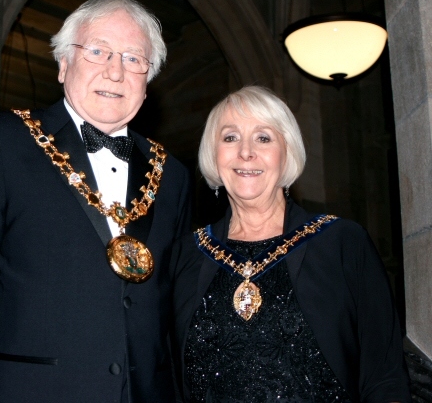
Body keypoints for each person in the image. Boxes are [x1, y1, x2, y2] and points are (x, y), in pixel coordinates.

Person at [0, 0, 191, 403]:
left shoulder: (171, 174)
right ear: (64, 63)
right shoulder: (1, 141)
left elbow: (171, 316)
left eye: (134, 59)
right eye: (99, 51)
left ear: (148, 81)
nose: (115, 71)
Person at [170, 86, 411, 402]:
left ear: (287, 153)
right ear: (213, 155)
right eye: (229, 138)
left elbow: (384, 375)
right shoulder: (186, 255)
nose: (245, 152)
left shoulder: (341, 243)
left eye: (264, 138)